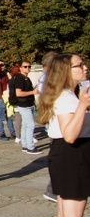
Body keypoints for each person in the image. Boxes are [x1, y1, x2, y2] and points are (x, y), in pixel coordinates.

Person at [36, 54, 90, 217]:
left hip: (65, 156)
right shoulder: (68, 99)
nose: (85, 68)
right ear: (67, 71)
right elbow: (70, 134)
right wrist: (84, 106)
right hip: (72, 156)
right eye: (80, 66)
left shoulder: (67, 96)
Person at [38, 51, 59, 201]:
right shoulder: (49, 79)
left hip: (54, 120)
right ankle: (52, 190)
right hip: (56, 121)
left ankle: (53, 189)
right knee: (58, 157)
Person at [13, 59, 41, 154]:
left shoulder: (25, 78)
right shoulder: (20, 79)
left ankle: (25, 145)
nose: (27, 68)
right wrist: (33, 92)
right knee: (30, 125)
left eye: (29, 66)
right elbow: (18, 93)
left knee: (25, 125)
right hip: (23, 104)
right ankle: (30, 146)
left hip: (27, 104)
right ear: (20, 68)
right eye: (25, 66)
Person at [0, 61, 16, 141]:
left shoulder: (5, 75)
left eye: (3, 66)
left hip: (7, 98)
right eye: (0, 66)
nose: (1, 67)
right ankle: (2, 133)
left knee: (9, 116)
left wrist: (6, 71)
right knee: (1, 117)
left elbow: (12, 81)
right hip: (0, 98)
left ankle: (12, 133)